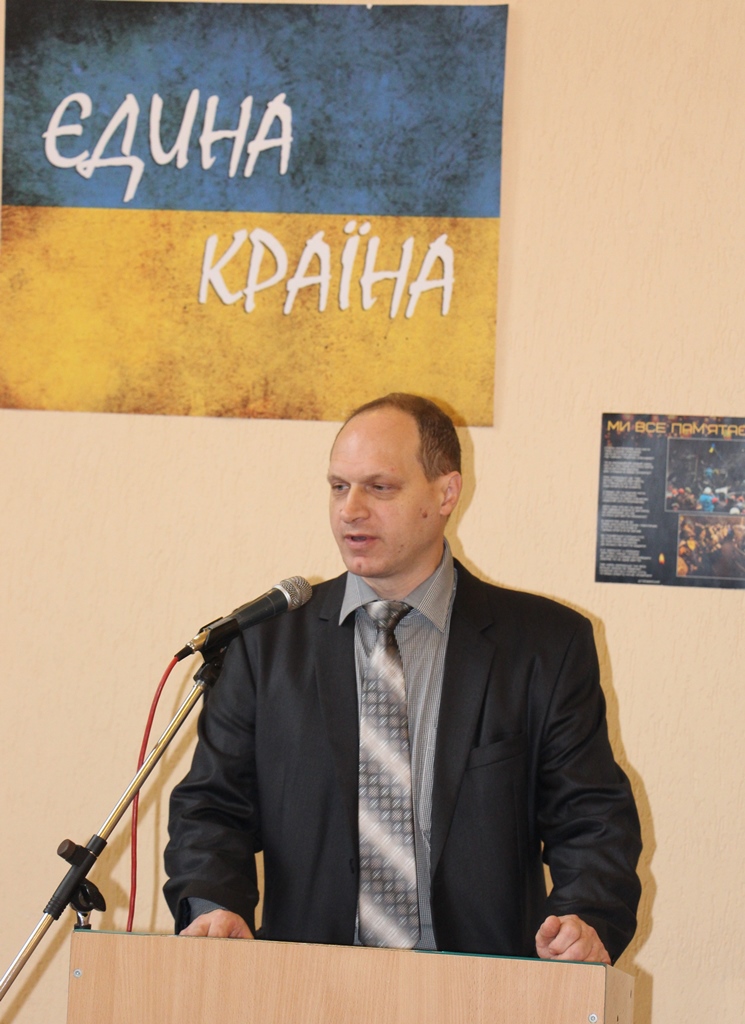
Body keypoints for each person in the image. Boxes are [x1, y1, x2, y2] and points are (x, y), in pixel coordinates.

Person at [164, 394, 641, 964]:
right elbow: (212, 808)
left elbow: (590, 816)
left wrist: (587, 916)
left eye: (379, 487)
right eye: (338, 487)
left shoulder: (543, 645)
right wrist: (214, 904)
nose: (350, 510)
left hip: (485, 988)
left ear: (446, 493)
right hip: (304, 984)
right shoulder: (263, 644)